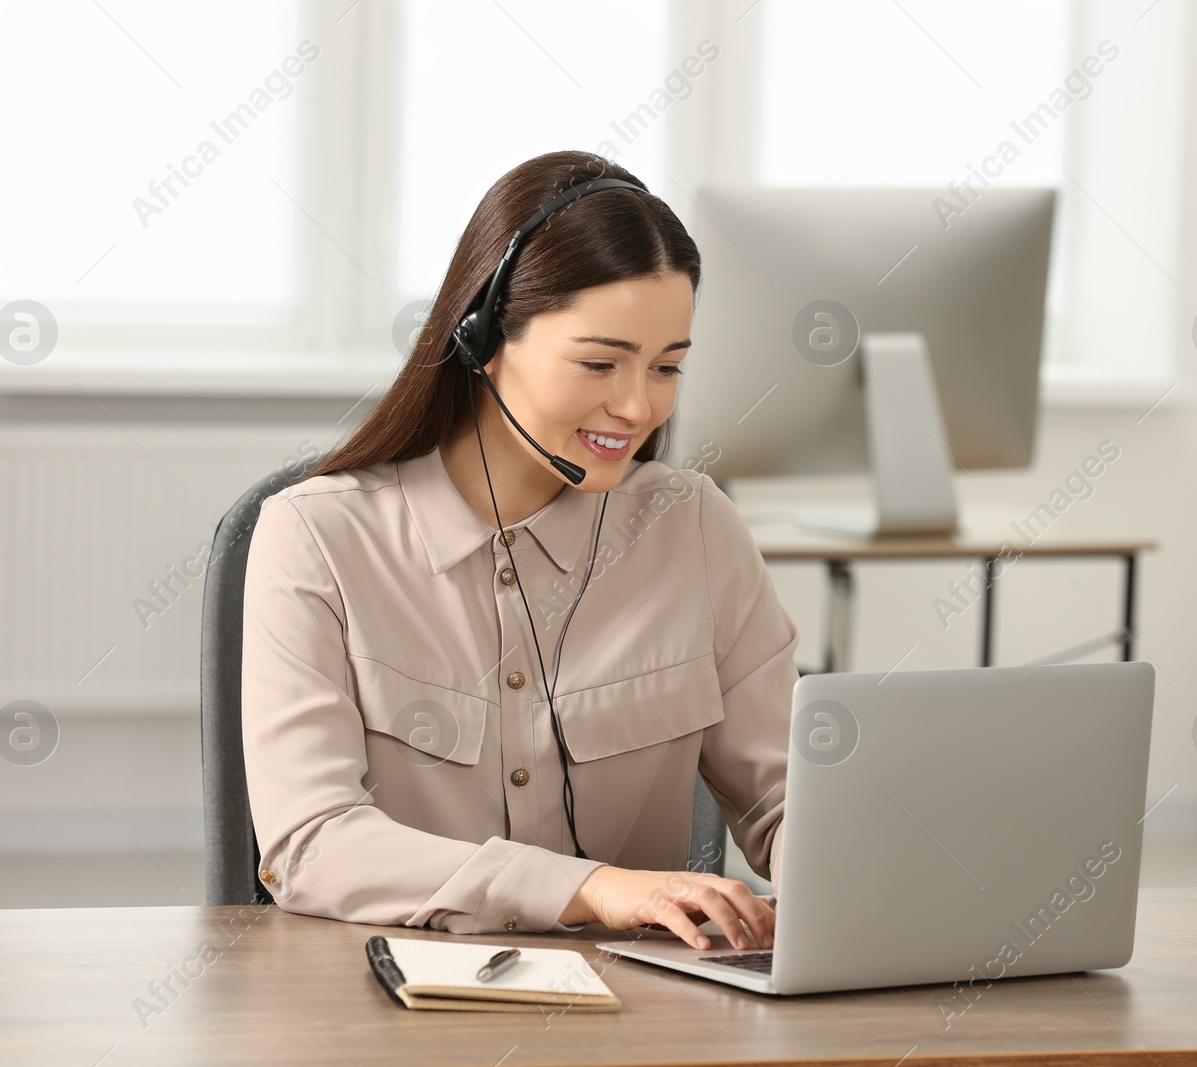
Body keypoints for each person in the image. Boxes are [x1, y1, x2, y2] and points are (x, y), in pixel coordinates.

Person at [240, 149, 797, 954]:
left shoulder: (695, 528)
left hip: (644, 1021)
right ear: (482, 339)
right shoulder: (316, 537)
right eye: (599, 362)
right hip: (391, 1008)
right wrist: (591, 887)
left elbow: (789, 799)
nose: (637, 405)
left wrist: (866, 874)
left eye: (668, 366)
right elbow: (312, 842)